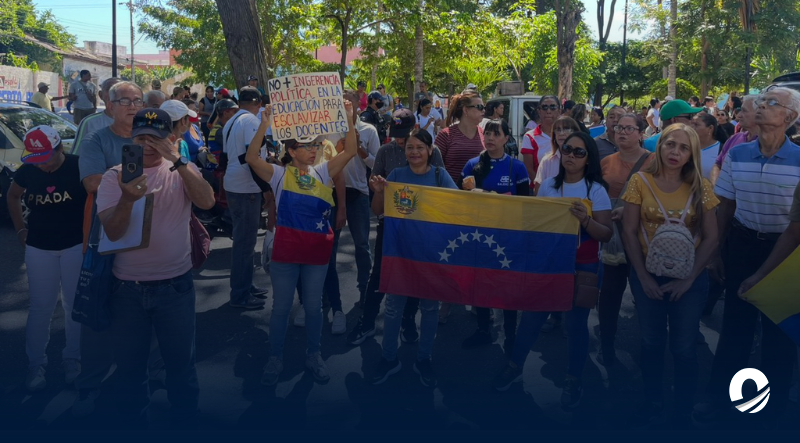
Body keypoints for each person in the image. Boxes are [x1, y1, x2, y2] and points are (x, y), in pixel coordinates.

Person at [95, 107, 214, 426]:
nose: (148, 145)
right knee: (130, 372)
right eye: (141, 138)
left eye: (156, 138)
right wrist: (127, 199)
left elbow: (207, 202)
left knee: (181, 367)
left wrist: (177, 160)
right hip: (126, 290)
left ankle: (186, 422)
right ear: (131, 139)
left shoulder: (182, 170)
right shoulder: (114, 176)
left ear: (171, 138)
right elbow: (113, 232)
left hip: (175, 286)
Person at [694, 87, 800, 428]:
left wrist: (763, 273)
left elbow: (796, 229)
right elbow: (725, 207)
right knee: (735, 328)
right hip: (741, 245)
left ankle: (771, 410)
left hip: (784, 254)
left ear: (790, 117)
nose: (762, 106)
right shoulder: (738, 154)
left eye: (773, 103)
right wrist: (715, 253)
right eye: (763, 101)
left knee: (777, 335)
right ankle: (720, 398)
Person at [493, 131, 612, 411]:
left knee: (576, 325)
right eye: (567, 149)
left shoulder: (596, 190)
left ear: (588, 158)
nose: (571, 155)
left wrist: (586, 221)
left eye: (579, 152)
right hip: (548, 265)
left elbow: (606, 234)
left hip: (584, 266)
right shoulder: (547, 186)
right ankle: (514, 366)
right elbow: (534, 225)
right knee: (531, 318)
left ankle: (573, 378)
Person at [246, 100, 357, 386]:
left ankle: (314, 354)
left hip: (316, 253)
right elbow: (251, 158)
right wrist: (264, 124)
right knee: (281, 308)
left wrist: (349, 118)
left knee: (313, 307)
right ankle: (275, 357)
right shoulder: (279, 174)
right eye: (306, 146)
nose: (313, 150)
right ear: (292, 151)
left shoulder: (323, 172)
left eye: (315, 145)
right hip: (286, 253)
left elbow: (351, 151)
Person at [620, 123, 719, 427]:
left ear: (692, 154)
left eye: (684, 147)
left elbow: (712, 237)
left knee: (684, 347)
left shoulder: (701, 186)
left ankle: (682, 411)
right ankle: (652, 401)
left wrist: (688, 280)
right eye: (670, 144)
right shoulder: (639, 181)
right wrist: (643, 278)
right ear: (660, 145)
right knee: (651, 343)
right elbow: (628, 230)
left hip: (690, 280)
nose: (675, 152)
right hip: (647, 275)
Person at [367, 129, 459, 387]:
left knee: (429, 308)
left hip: (431, 255)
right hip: (400, 254)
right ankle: (389, 358)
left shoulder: (440, 176)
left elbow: (458, 207)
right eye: (410, 147)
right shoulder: (396, 176)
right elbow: (377, 211)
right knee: (393, 308)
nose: (414, 152)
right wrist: (378, 192)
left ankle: (424, 358)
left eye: (420, 147)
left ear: (430, 150)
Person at [74, 81, 144, 417]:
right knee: (98, 313)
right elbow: (91, 182)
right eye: (124, 101)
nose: (132, 106)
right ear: (110, 105)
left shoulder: (151, 139)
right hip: (105, 239)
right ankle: (90, 385)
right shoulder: (96, 139)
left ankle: (142, 379)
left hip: (148, 240)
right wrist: (133, 184)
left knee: (144, 312)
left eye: (137, 101)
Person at [346, 109, 445, 346]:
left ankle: (408, 320)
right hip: (390, 224)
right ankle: (368, 321)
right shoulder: (385, 151)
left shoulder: (432, 151)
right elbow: (376, 184)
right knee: (380, 272)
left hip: (421, 227)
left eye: (405, 136)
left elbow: (444, 188)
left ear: (416, 130)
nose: (401, 141)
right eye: (397, 135)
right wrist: (377, 187)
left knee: (413, 272)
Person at [7, 126, 87, 392]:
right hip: (39, 246)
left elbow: (97, 198)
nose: (40, 165)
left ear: (60, 148)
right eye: (35, 158)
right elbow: (13, 195)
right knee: (41, 307)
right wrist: (20, 229)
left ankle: (73, 359)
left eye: (45, 158)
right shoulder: (28, 169)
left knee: (74, 306)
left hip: (75, 245)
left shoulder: (78, 166)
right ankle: (36, 364)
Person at [460, 119, 530, 352]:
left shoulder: (516, 167)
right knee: (481, 284)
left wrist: (493, 198)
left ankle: (511, 335)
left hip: (508, 237)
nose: (490, 138)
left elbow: (525, 204)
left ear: (506, 138)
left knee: (507, 287)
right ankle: (483, 330)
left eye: (496, 134)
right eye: (487, 133)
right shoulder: (472, 165)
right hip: (479, 235)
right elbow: (460, 201)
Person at [322, 90, 381, 334]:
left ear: (359, 103)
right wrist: (339, 148)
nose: (345, 103)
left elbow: (377, 164)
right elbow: (321, 162)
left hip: (358, 193)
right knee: (329, 247)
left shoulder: (368, 130)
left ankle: (364, 289)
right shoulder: (327, 129)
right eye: (341, 100)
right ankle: (327, 295)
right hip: (330, 194)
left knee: (362, 245)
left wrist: (359, 148)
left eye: (350, 100)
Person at [597, 113, 653, 366]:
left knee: (645, 294)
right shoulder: (606, 162)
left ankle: (649, 348)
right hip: (613, 238)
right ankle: (606, 345)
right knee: (610, 293)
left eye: (629, 129)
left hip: (645, 239)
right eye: (619, 127)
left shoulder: (654, 162)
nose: (622, 132)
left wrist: (632, 211)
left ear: (641, 133)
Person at [223, 86, 270, 310]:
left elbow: (229, 157)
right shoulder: (251, 121)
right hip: (245, 187)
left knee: (244, 242)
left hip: (235, 184)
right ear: (259, 104)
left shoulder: (231, 120)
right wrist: (266, 188)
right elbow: (252, 159)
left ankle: (245, 286)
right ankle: (240, 294)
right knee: (245, 243)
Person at [71, 77, 120, 156]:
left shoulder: (136, 121)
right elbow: (77, 155)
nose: (114, 94)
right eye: (109, 89)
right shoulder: (89, 122)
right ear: (101, 95)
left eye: (119, 90)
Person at [533, 116, 581, 195]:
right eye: (558, 130)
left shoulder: (582, 159)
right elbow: (538, 192)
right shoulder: (547, 161)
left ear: (575, 132)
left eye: (566, 129)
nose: (561, 133)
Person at [521, 95, 559, 182]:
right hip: (538, 187)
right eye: (544, 107)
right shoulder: (530, 137)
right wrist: (543, 187)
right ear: (539, 111)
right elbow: (529, 169)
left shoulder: (567, 136)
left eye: (553, 107)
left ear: (559, 111)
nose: (548, 111)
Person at [690, 112, 728, 178]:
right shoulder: (687, 146)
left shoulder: (722, 150)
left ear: (710, 128)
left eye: (696, 125)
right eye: (692, 124)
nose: (692, 127)